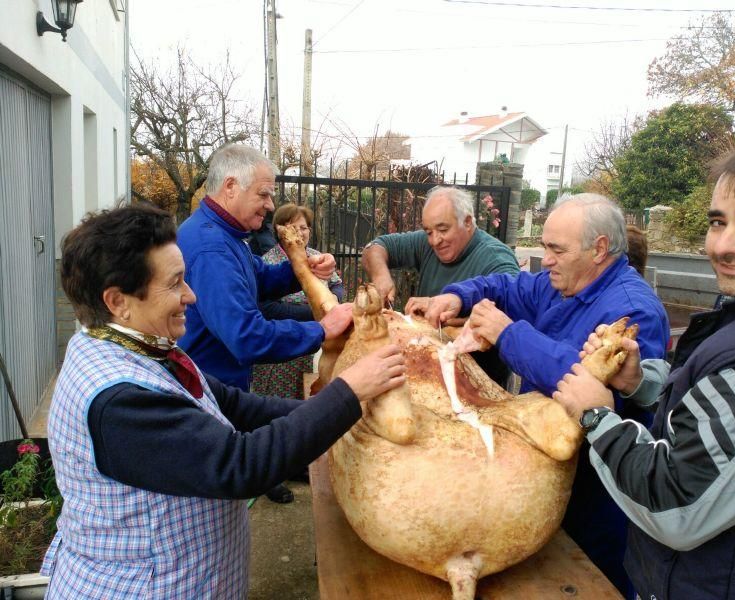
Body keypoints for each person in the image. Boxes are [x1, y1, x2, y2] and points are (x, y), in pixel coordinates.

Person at [41, 203, 406, 599]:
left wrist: (353, 416)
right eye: (175, 283)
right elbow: (240, 466)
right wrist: (348, 392)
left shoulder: (141, 347)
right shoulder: (120, 401)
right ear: (118, 302)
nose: (191, 295)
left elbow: (235, 405)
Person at [553, 137, 735, 600]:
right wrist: (641, 383)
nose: (724, 245)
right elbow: (708, 414)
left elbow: (676, 506)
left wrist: (597, 416)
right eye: (718, 222)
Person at [423, 193, 670, 597]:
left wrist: (508, 334)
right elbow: (506, 285)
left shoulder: (633, 312)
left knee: (591, 580)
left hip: (596, 492)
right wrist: (458, 295)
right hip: (546, 471)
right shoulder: (562, 283)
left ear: (599, 249)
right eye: (545, 248)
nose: (546, 259)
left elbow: (586, 384)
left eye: (556, 249)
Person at [177, 144, 352, 502]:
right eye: (264, 194)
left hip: (222, 385)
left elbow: (260, 278)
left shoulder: (229, 236)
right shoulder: (212, 250)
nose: (271, 204)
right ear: (230, 186)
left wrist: (301, 270)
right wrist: (321, 330)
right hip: (210, 393)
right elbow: (246, 337)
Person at [362, 185, 520, 385]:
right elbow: (375, 247)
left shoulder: (495, 257)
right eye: (428, 232)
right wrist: (381, 275)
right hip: (429, 375)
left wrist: (451, 316)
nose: (435, 240)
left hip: (479, 385)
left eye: (443, 230)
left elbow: (513, 311)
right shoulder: (427, 242)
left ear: (468, 222)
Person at [252, 204, 345, 398]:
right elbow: (268, 309)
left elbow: (336, 283)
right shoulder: (269, 261)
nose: (300, 233)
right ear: (280, 230)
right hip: (283, 349)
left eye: (304, 228)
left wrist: (335, 298)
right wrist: (317, 314)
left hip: (315, 345)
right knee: (282, 405)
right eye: (294, 228)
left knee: (311, 398)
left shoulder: (315, 257)